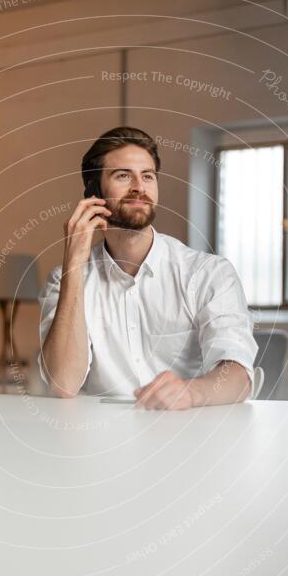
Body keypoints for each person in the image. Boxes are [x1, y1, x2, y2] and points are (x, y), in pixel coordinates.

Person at [37, 126, 257, 410]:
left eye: (148, 176)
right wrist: (74, 264)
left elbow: (238, 376)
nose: (139, 187)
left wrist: (191, 393)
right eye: (123, 175)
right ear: (93, 191)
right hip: (102, 442)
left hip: (191, 437)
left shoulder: (208, 274)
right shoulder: (64, 280)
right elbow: (63, 384)